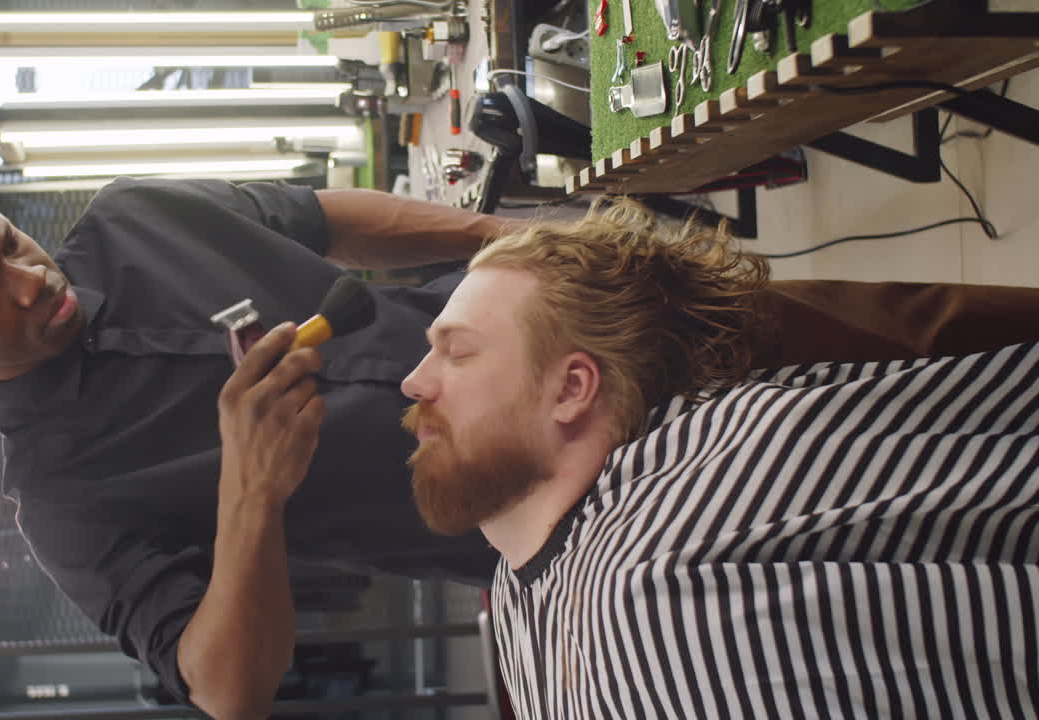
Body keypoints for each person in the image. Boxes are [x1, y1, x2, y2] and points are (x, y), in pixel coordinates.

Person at [0, 177, 1039, 719]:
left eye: (15, 247)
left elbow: (315, 219)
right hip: (581, 532)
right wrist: (248, 500)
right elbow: (225, 691)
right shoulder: (64, 496)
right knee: (884, 575)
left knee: (931, 355)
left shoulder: (136, 216)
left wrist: (497, 233)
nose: (36, 284)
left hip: (615, 344)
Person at [399, 197, 1039, 719]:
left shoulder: (663, 606)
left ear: (571, 389)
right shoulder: (522, 583)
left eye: (456, 352)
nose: (412, 382)